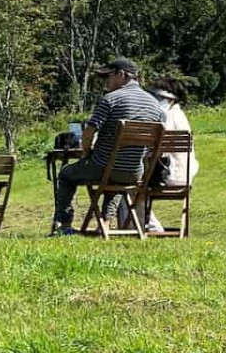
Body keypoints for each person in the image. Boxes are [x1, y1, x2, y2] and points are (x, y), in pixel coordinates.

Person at [51, 57, 165, 236]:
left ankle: (64, 225)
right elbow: (154, 146)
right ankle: (103, 223)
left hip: (104, 167)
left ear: (121, 75)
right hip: (134, 172)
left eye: (108, 77)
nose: (106, 82)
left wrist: (86, 152)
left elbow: (88, 133)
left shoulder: (110, 100)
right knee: (116, 177)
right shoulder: (155, 106)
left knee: (66, 174)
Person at [118, 78, 199, 233]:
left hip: (167, 175)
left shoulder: (166, 117)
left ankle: (140, 227)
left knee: (126, 184)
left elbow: (155, 150)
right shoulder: (179, 115)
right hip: (184, 175)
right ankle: (141, 225)